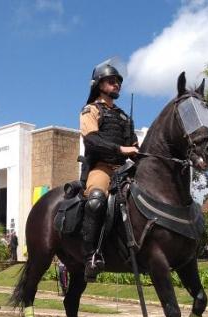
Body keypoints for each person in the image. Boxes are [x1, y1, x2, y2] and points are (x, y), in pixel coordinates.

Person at [79, 58, 139, 281]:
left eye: (118, 82)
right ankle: (90, 256)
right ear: (98, 84)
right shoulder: (90, 110)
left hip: (125, 169)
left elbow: (133, 145)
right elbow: (92, 140)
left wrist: (137, 151)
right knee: (96, 200)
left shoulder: (124, 116)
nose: (117, 85)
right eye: (111, 81)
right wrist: (122, 149)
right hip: (101, 167)